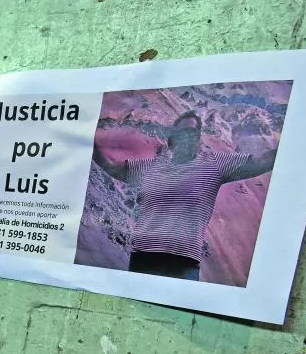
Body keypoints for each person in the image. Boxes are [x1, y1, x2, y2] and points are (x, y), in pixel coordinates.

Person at [92, 110, 277, 281]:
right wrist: (87, 142)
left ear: (198, 138)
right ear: (172, 138)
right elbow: (111, 167)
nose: (188, 137)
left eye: (192, 133)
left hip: (184, 262)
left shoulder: (214, 164)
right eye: (183, 133)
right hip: (144, 258)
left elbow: (260, 163)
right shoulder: (150, 167)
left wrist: (293, 139)